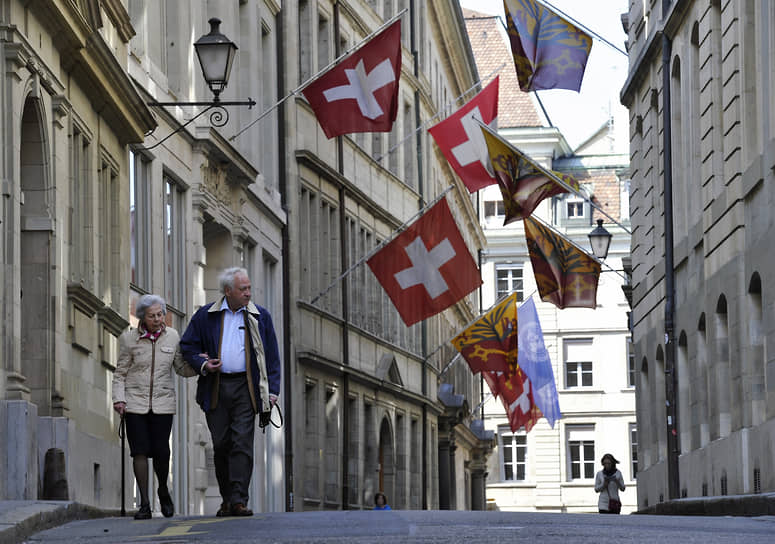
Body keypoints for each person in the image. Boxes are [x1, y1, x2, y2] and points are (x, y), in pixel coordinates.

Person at [180, 267, 281, 517]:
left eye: (249, 288)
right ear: (228, 291)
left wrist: (273, 391)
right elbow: (187, 346)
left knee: (242, 443)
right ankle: (226, 498)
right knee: (221, 444)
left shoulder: (261, 316)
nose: (248, 293)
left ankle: (238, 499)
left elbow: (272, 358)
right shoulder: (206, 315)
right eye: (243, 289)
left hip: (247, 387)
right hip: (215, 387)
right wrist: (202, 363)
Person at [112, 294, 196, 520]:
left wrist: (202, 365)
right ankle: (145, 504)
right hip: (134, 403)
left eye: (161, 314)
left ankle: (163, 490)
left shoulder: (173, 337)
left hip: (163, 403)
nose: (158, 319)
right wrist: (118, 399)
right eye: (152, 316)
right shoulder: (129, 339)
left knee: (161, 451)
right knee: (138, 451)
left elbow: (180, 367)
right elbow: (120, 374)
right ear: (143, 318)